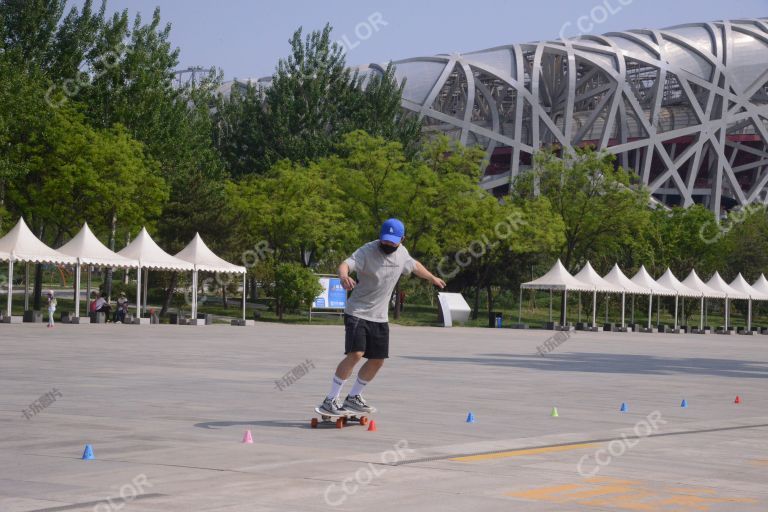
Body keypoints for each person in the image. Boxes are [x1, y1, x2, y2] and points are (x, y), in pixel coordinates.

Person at [318, 218, 446, 416]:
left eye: (392, 241)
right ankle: (330, 399)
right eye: (384, 240)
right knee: (357, 354)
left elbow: (414, 265)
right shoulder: (367, 250)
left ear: (402, 239)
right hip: (358, 312)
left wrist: (432, 277)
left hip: (380, 317)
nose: (387, 244)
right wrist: (344, 276)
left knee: (377, 360)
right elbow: (345, 264)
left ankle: (353, 397)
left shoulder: (402, 253)